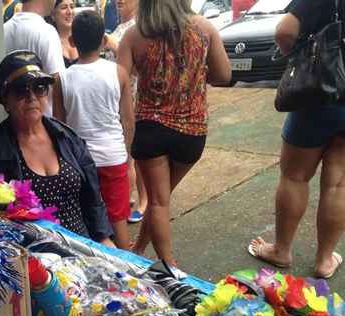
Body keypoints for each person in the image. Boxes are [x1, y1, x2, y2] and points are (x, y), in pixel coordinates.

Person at [0, 50, 114, 245]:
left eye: (39, 87)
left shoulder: (68, 138)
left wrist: (105, 241)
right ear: (5, 100)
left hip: (83, 248)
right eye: (21, 90)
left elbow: (93, 201)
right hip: (32, 259)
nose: (32, 97)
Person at [118, 0, 231, 266]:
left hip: (151, 130)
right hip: (191, 133)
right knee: (162, 198)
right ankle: (140, 248)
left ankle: (171, 269)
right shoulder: (205, 29)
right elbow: (223, 75)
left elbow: (119, 82)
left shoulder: (134, 35)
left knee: (158, 201)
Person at [248, 0, 345, 279]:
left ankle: (281, 250)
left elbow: (285, 31)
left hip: (319, 94)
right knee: (338, 183)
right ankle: (324, 260)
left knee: (295, 176)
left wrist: (298, 55)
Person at [54, 11, 133, 249]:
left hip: (79, 162)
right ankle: (130, 272)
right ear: (103, 41)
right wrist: (127, 156)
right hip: (113, 157)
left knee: (86, 223)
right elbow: (128, 122)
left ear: (72, 41)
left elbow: (60, 126)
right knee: (118, 220)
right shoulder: (118, 73)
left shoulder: (62, 79)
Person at [102, 0, 147, 225]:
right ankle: (129, 197)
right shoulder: (120, 26)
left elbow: (140, 67)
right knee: (127, 152)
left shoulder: (140, 27)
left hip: (135, 99)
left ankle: (143, 200)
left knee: (135, 155)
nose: (119, 1)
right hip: (117, 101)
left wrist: (113, 44)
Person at [4, 0, 65, 115]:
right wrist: (60, 127)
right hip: (43, 121)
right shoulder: (46, 31)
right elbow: (58, 82)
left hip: (14, 120)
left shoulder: (4, 29)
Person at [49, 0, 78, 68]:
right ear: (53, 14)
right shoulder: (49, 41)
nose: (70, 12)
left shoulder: (84, 36)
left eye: (72, 7)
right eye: (64, 8)